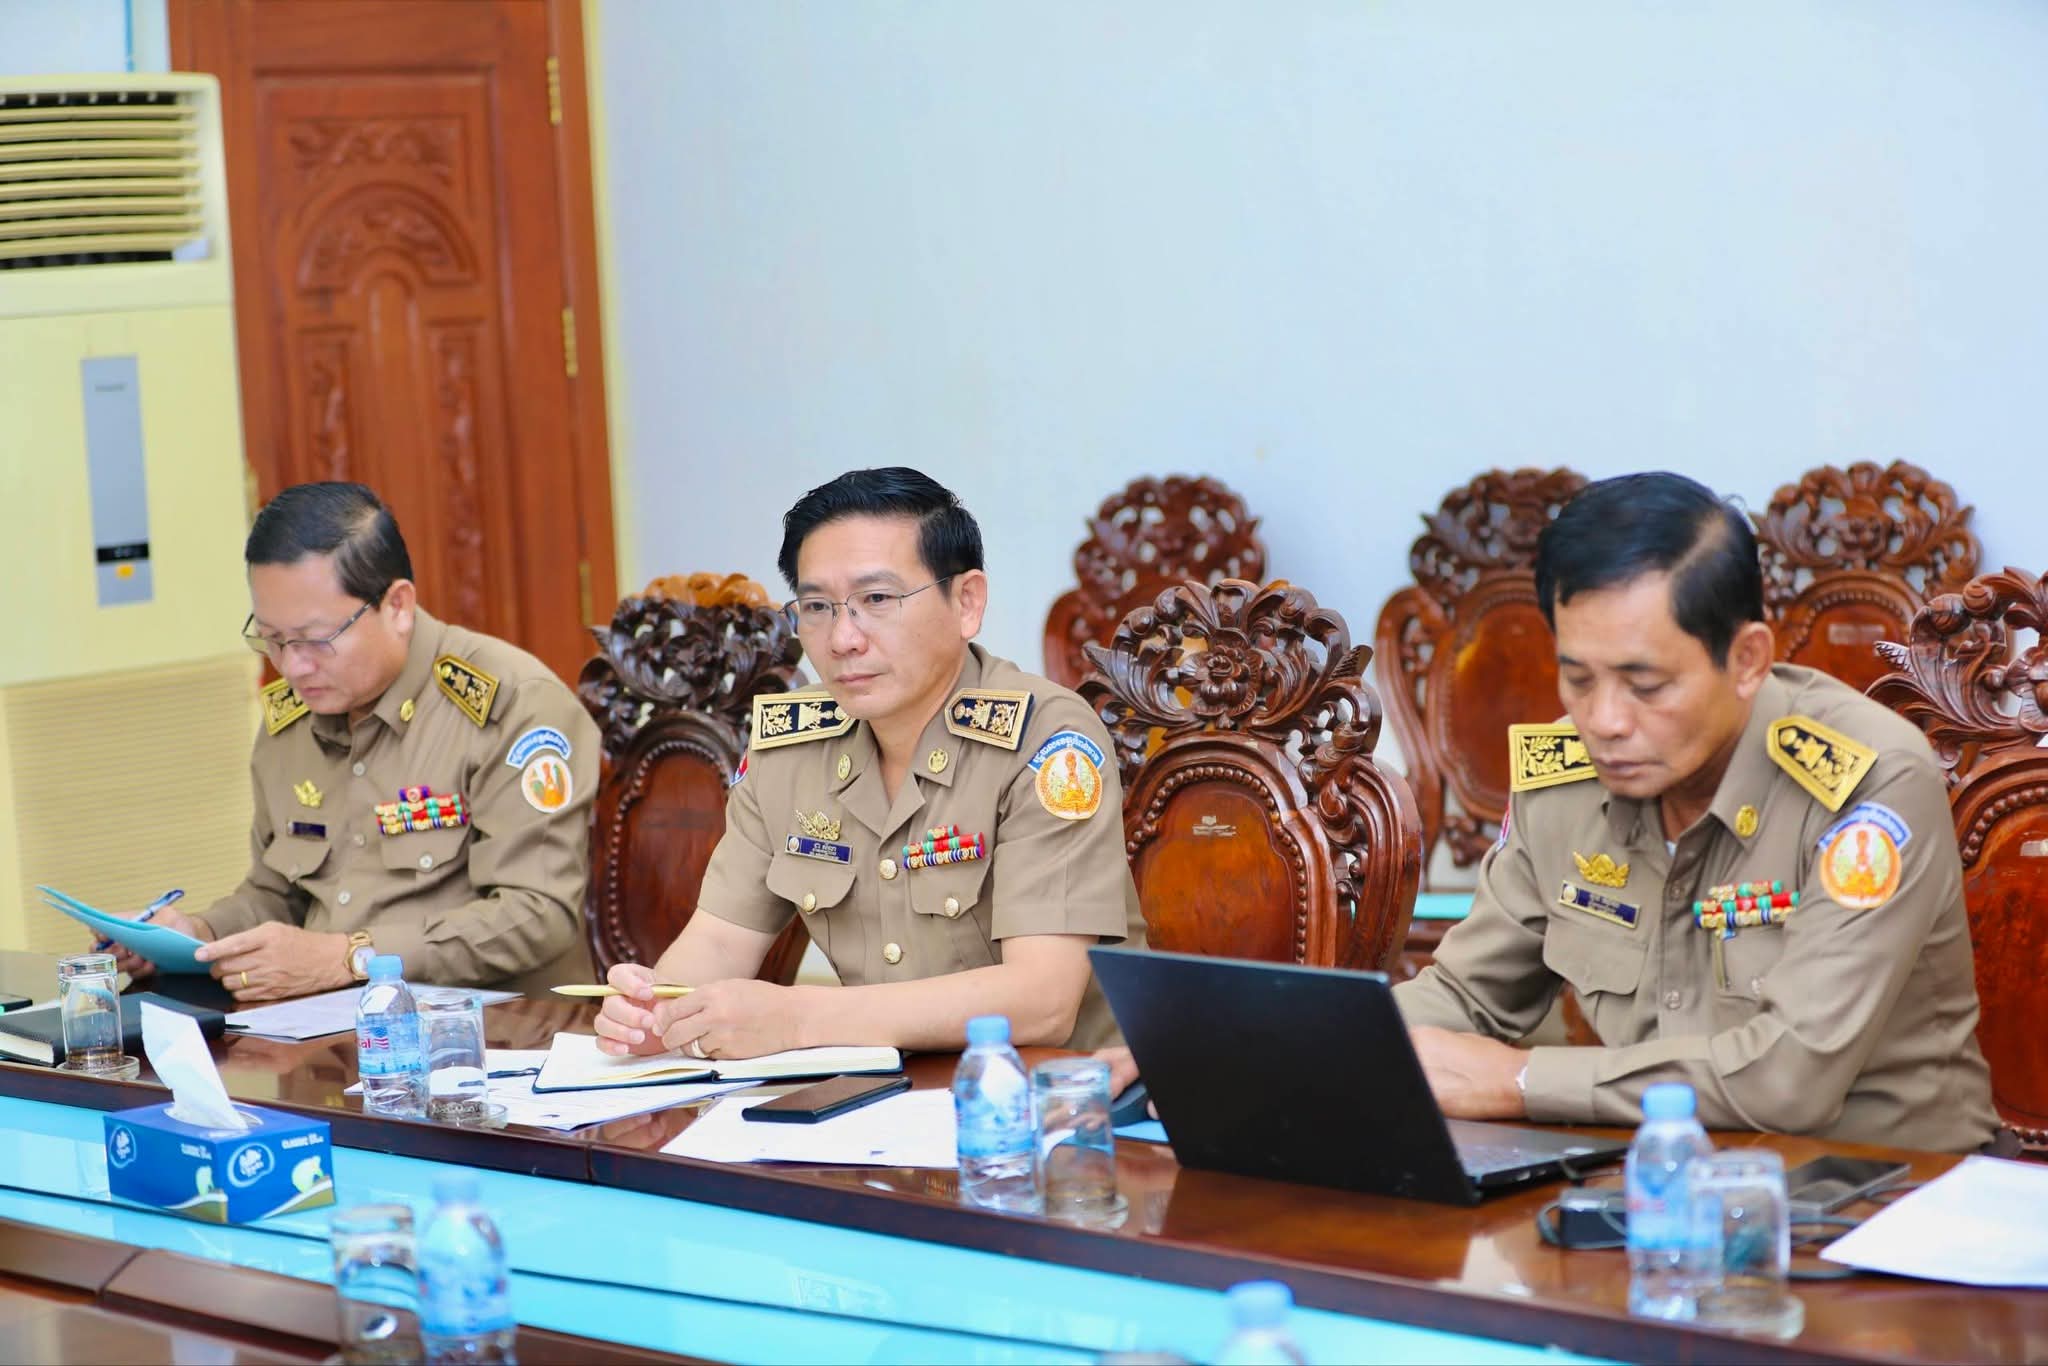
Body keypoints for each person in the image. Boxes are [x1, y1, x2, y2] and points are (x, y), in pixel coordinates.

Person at [1391, 472, 1998, 1153]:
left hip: (1885, 1185)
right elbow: (1466, 997)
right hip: (1654, 1176)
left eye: (1646, 684)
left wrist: (1523, 1079)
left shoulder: (1868, 785)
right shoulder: (1565, 779)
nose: (1604, 721)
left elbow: (1787, 1079)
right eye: (1578, 678)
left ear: (1747, 660)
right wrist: (1331, 1047)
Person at [594, 467, 1145, 1060]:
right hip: (882, 1090)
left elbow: (1042, 1000)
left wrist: (800, 1018)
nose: (843, 639)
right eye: (817, 606)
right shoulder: (790, 745)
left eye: (877, 600)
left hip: (1060, 1092)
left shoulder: (1045, 740)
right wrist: (657, 1010)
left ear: (966, 602)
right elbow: (722, 941)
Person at [114, 482, 597, 1001]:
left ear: (397, 607)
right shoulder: (292, 721)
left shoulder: (514, 704)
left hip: (486, 1029)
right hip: (323, 1025)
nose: (293, 666)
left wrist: (352, 958)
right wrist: (197, 935)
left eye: (315, 639)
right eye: (273, 639)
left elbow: (538, 915)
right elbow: (278, 894)